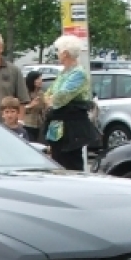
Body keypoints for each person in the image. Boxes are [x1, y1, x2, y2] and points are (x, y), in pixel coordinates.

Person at [43, 35, 100, 171]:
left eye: (58, 51)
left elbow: (59, 98)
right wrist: (50, 99)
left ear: (65, 53)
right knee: (58, 163)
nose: (57, 54)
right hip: (57, 129)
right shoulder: (64, 73)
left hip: (72, 129)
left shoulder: (78, 73)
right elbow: (47, 94)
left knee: (71, 165)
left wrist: (51, 100)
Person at [21, 70, 45, 143]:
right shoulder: (25, 93)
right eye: (38, 79)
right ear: (32, 80)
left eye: (41, 78)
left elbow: (43, 110)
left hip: (37, 125)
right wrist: (30, 105)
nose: (41, 81)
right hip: (27, 124)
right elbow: (19, 109)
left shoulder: (41, 93)